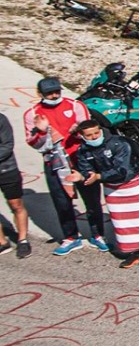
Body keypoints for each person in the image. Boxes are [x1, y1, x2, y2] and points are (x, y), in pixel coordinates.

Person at [69, 122, 139, 268]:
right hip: (112, 187)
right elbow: (87, 170)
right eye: (89, 135)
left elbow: (122, 170)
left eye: (96, 133)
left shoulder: (118, 143)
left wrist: (98, 176)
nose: (94, 137)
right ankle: (137, 251)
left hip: (133, 183)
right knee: (123, 221)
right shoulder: (83, 151)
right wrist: (82, 178)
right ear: (82, 136)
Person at [25, 77, 103, 254]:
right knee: (61, 202)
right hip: (54, 162)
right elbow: (33, 142)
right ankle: (71, 237)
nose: (54, 96)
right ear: (40, 94)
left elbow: (90, 133)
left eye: (57, 92)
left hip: (81, 159)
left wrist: (78, 131)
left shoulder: (76, 106)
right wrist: (43, 132)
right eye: (49, 93)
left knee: (92, 199)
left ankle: (98, 235)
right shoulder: (32, 114)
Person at [0, 110, 30, 259]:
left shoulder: (1, 119)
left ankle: (23, 239)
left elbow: (7, 145)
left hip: (6, 170)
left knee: (16, 204)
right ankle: (2, 242)